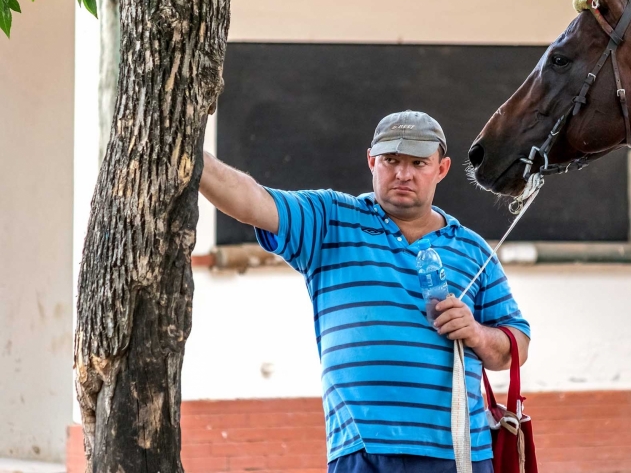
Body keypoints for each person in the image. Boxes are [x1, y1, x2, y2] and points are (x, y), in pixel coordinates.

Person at [199, 110, 530, 473]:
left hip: (459, 451)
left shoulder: (473, 249)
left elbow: (515, 348)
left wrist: (477, 333)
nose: (403, 173)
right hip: (361, 453)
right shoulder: (331, 220)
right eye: (391, 160)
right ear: (371, 160)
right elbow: (253, 202)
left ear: (442, 168)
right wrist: (190, 152)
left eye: (418, 162)